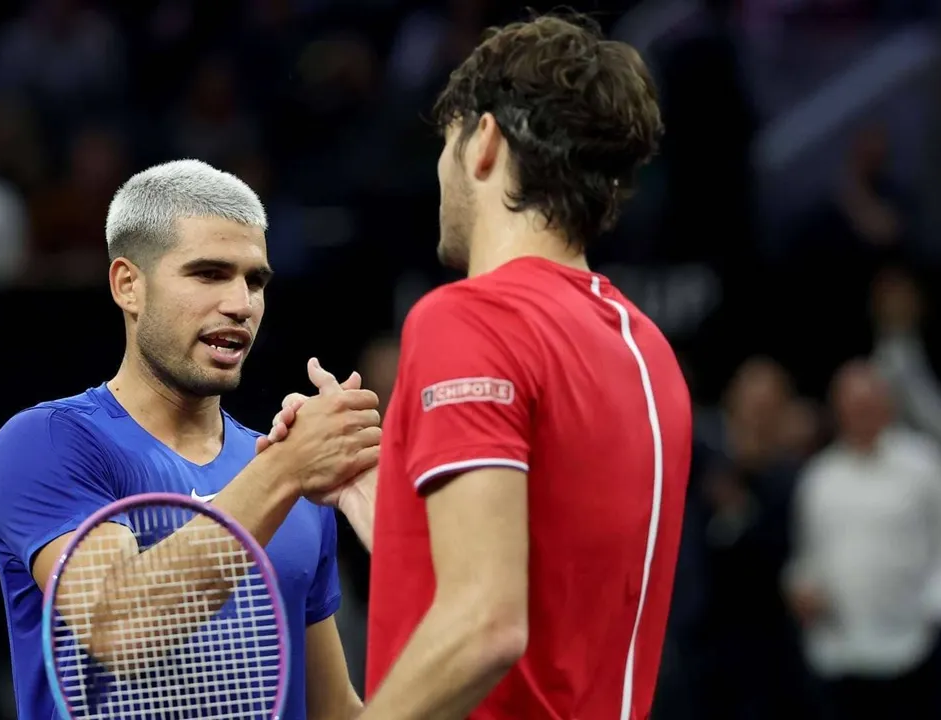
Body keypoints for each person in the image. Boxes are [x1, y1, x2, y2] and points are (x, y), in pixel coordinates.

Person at [277, 13, 692, 719]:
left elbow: (486, 624)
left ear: (486, 142)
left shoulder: (468, 317)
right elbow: (549, 584)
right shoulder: (647, 348)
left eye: (445, 143)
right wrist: (381, 499)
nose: (439, 174)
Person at [0, 159, 377, 720]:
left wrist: (405, 538)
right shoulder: (47, 443)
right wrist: (286, 471)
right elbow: (120, 630)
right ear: (128, 285)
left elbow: (336, 711)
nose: (241, 304)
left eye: (255, 280)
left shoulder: (297, 484)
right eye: (209, 273)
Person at [784, 359, 941, 720]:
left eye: (869, 405)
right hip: (837, 654)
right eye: (852, 407)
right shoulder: (819, 478)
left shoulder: (922, 466)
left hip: (911, 648)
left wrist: (937, 609)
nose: (861, 415)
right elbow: (805, 557)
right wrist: (802, 587)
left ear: (886, 406)